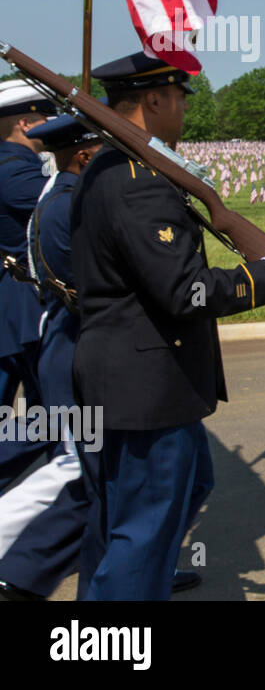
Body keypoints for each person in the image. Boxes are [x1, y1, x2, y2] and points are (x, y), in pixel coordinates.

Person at [71, 53, 265, 600]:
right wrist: (262, 277)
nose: (183, 107)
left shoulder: (114, 167)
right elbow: (184, 291)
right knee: (143, 532)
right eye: (178, 96)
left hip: (123, 375)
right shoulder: (139, 183)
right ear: (154, 100)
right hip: (148, 383)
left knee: (130, 517)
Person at [0, 113, 101, 600]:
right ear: (84, 154)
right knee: (76, 468)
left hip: (64, 341)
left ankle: (118, 566)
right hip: (72, 342)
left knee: (91, 471)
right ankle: (18, 565)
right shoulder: (69, 205)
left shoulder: (61, 195)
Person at [0, 80, 57, 489]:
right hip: (23, 308)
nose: (53, 125)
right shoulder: (16, 171)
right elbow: (66, 213)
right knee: (55, 418)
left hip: (12, 306)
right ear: (24, 124)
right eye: (45, 118)